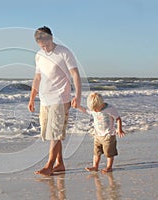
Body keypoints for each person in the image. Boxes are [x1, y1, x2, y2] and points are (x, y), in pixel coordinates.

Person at [28, 26, 81, 176]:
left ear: (51, 38)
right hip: (44, 99)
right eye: (42, 46)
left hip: (60, 98)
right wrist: (32, 97)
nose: (45, 48)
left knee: (55, 133)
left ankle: (49, 165)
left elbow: (75, 74)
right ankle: (60, 164)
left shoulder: (64, 52)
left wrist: (77, 95)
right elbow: (37, 77)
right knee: (49, 132)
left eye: (47, 44)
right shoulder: (39, 55)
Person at [77, 92, 125, 173]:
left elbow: (118, 118)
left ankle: (109, 167)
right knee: (96, 152)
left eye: (96, 109)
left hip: (108, 135)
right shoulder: (94, 110)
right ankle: (95, 166)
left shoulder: (110, 109)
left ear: (101, 104)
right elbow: (85, 111)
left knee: (109, 153)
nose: (95, 111)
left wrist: (119, 129)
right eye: (93, 109)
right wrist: (78, 106)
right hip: (97, 135)